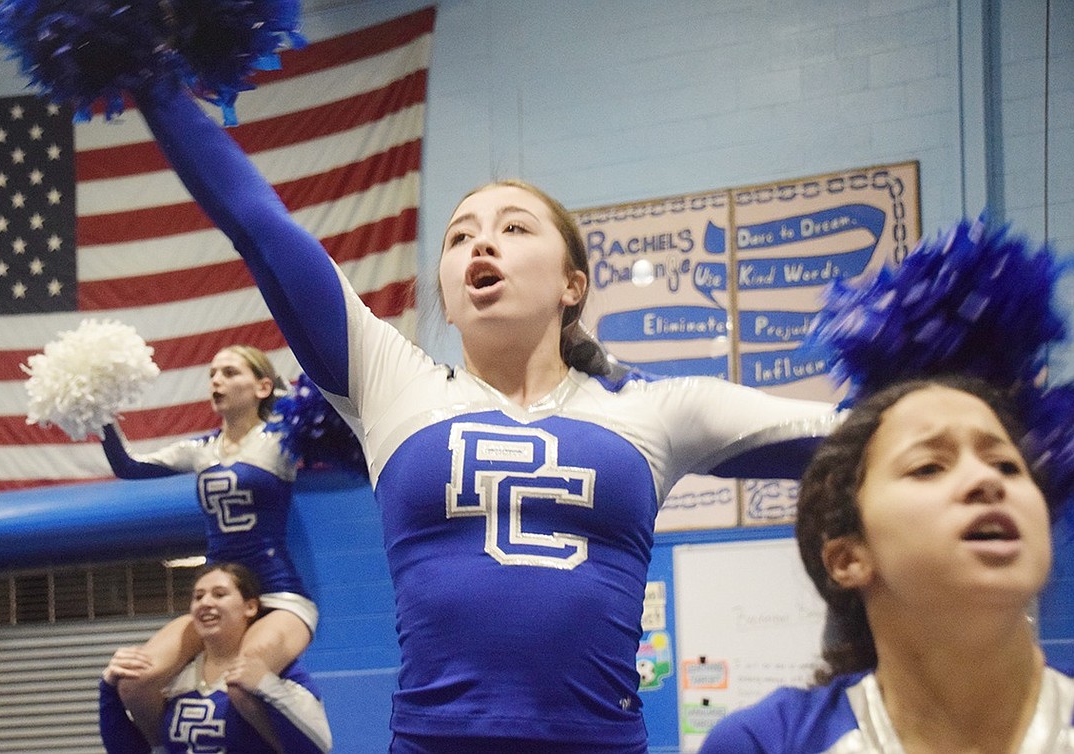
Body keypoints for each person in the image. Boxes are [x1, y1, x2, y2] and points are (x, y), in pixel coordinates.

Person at [123, 73, 844, 753]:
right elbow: (262, 229)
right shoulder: (392, 383)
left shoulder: (657, 407)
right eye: (460, 235)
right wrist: (153, 82)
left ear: (572, 283)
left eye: (515, 228)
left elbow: (857, 440)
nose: (481, 242)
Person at [699, 374, 1074, 753]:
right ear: (848, 558)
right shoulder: (765, 743)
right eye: (928, 466)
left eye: (1007, 465)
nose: (988, 480)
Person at [100, 345, 317, 745]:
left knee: (244, 683)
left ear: (262, 386)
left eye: (231, 373)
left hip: (280, 595)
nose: (217, 380)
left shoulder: (281, 438)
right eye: (213, 373)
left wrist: (295, 395)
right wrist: (99, 414)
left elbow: (328, 419)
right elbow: (128, 466)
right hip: (218, 598)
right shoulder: (199, 450)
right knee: (135, 680)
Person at [100, 562, 333, 754]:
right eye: (198, 597)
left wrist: (265, 685)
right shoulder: (176, 676)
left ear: (250, 607)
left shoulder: (280, 671)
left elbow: (318, 747)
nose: (206, 603)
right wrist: (109, 688)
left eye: (219, 594)